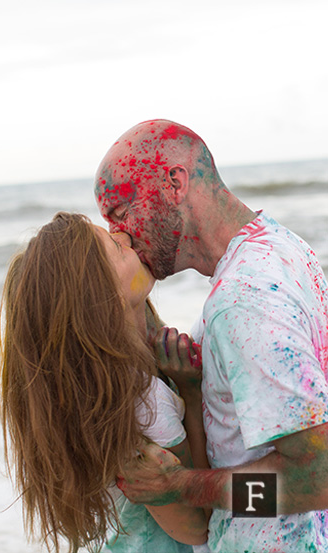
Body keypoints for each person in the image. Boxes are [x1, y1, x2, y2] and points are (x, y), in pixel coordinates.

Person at [98, 120, 328, 552]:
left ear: (174, 183)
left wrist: (183, 486)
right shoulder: (281, 245)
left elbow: (318, 479)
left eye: (121, 212)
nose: (121, 234)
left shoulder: (242, 299)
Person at [0, 212, 210, 552]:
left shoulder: (105, 386)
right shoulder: (144, 401)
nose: (125, 237)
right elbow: (198, 526)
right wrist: (192, 393)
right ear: (101, 297)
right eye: (115, 245)